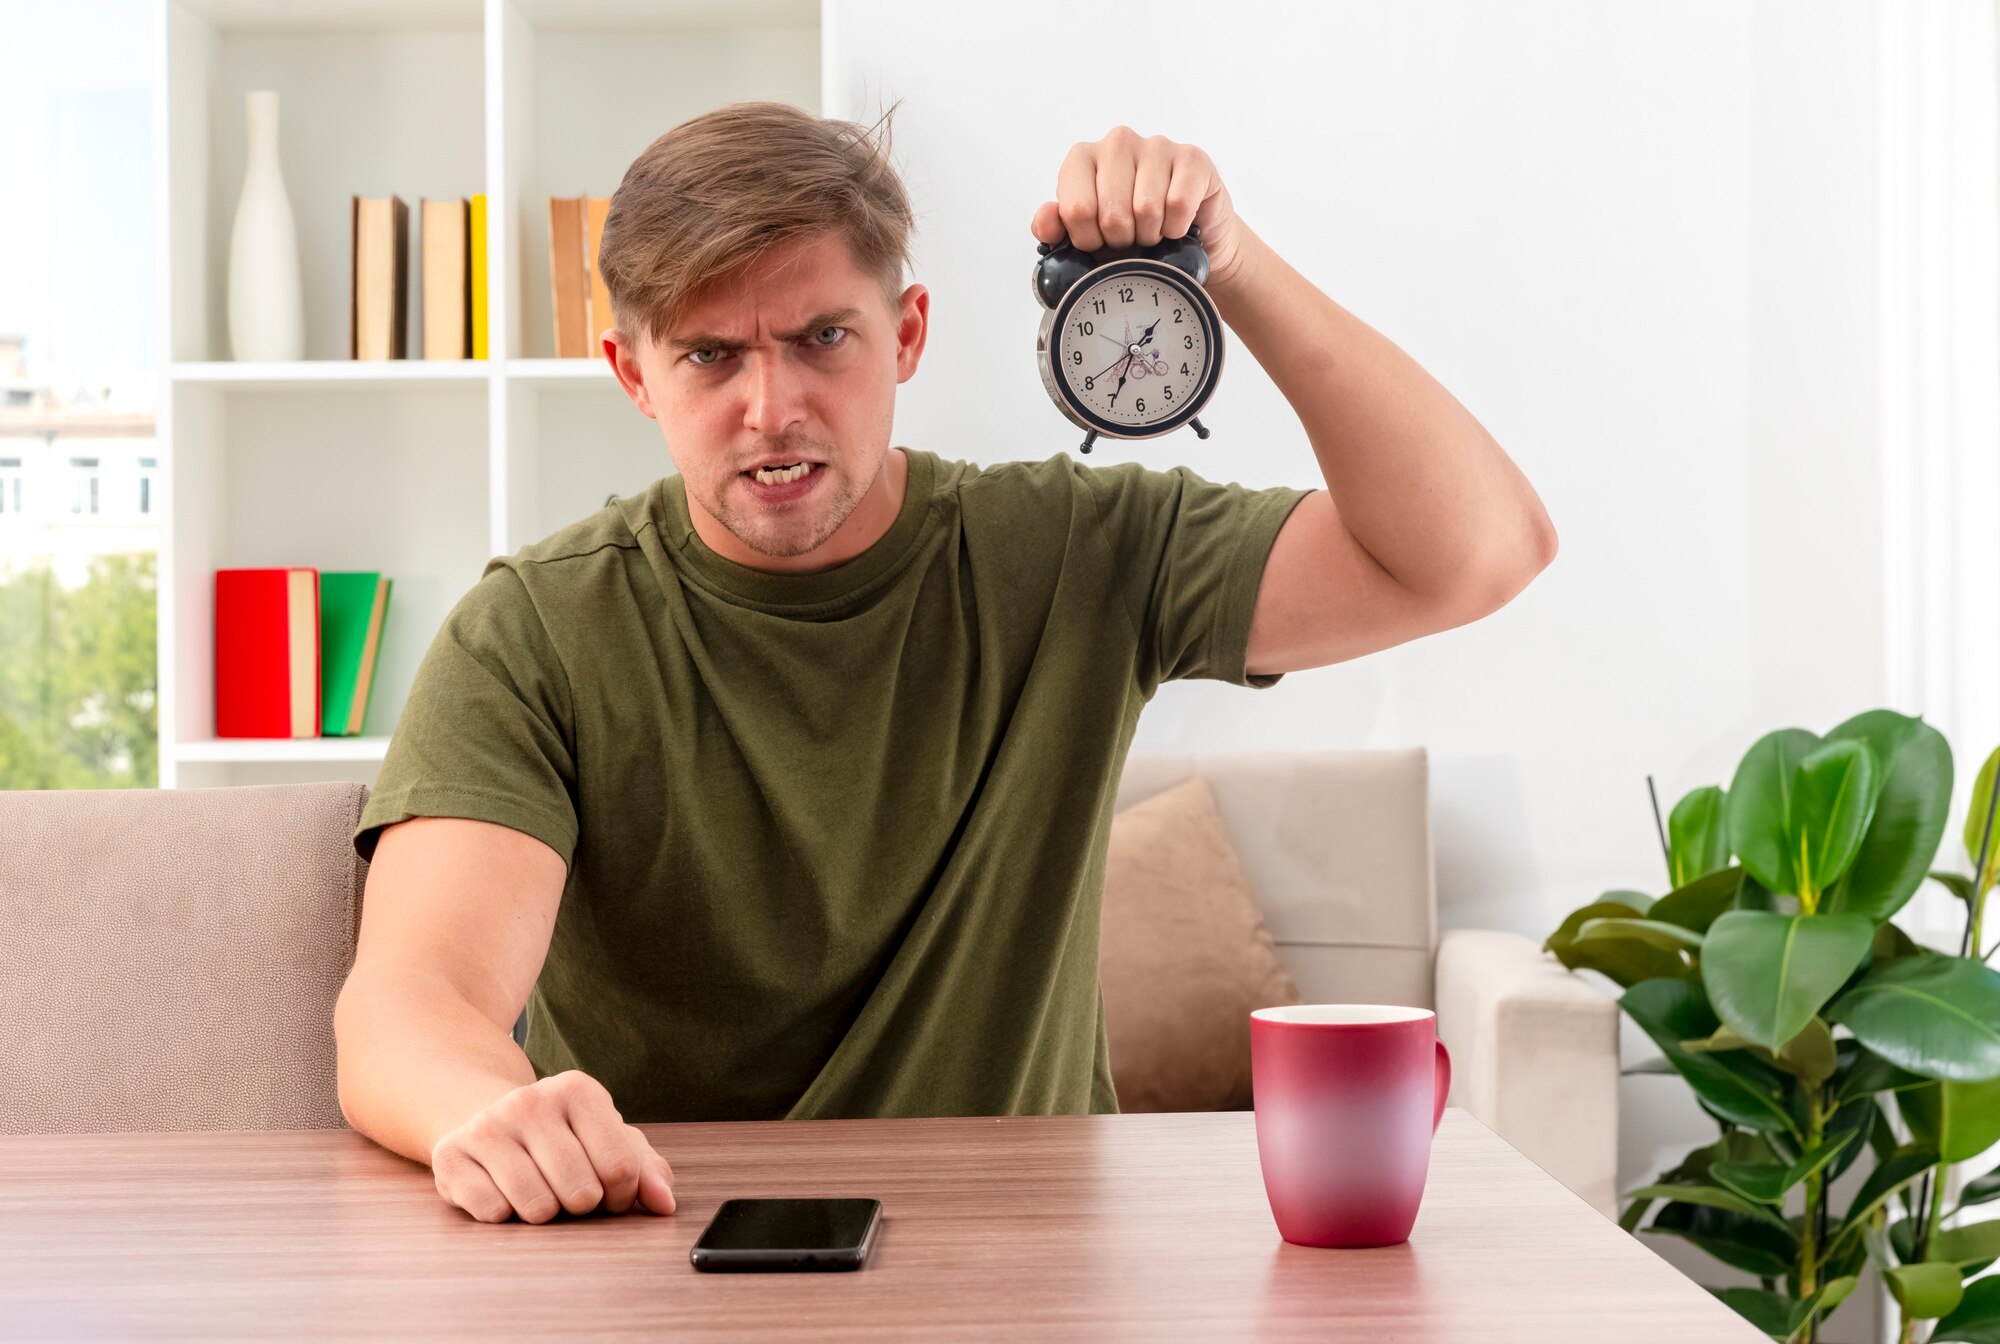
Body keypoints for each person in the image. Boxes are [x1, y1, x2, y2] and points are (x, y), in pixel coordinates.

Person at [332, 101, 1559, 1226]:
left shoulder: (1076, 551)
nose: (773, 407)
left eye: (823, 338)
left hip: (1028, 1254)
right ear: (630, 374)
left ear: (906, 335)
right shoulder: (536, 632)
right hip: (677, 1252)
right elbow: (407, 1003)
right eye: (710, 356)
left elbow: (1478, 552)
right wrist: (485, 1113)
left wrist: (1226, 264)